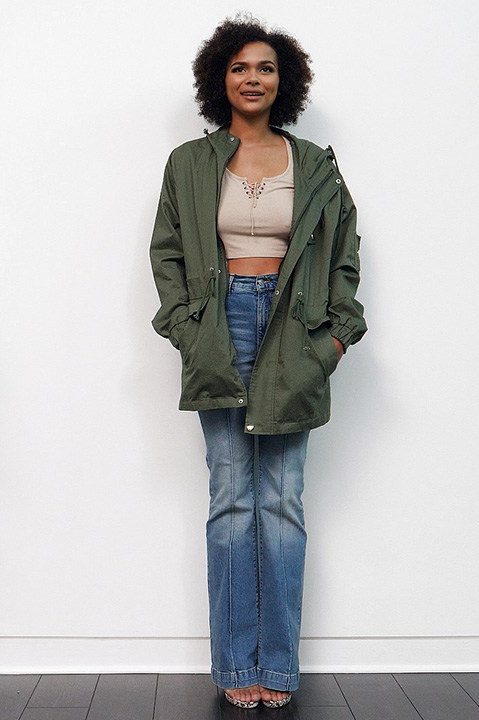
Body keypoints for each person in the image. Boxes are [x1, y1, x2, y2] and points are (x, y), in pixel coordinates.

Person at [149, 17, 366, 711]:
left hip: (293, 329)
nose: (253, 78)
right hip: (220, 325)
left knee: (282, 501)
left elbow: (344, 258)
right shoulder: (190, 162)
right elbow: (168, 253)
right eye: (240, 66)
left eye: (266, 67)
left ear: (284, 81)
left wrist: (333, 340)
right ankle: (234, 663)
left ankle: (279, 665)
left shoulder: (316, 165)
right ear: (220, 78)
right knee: (231, 500)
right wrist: (186, 329)